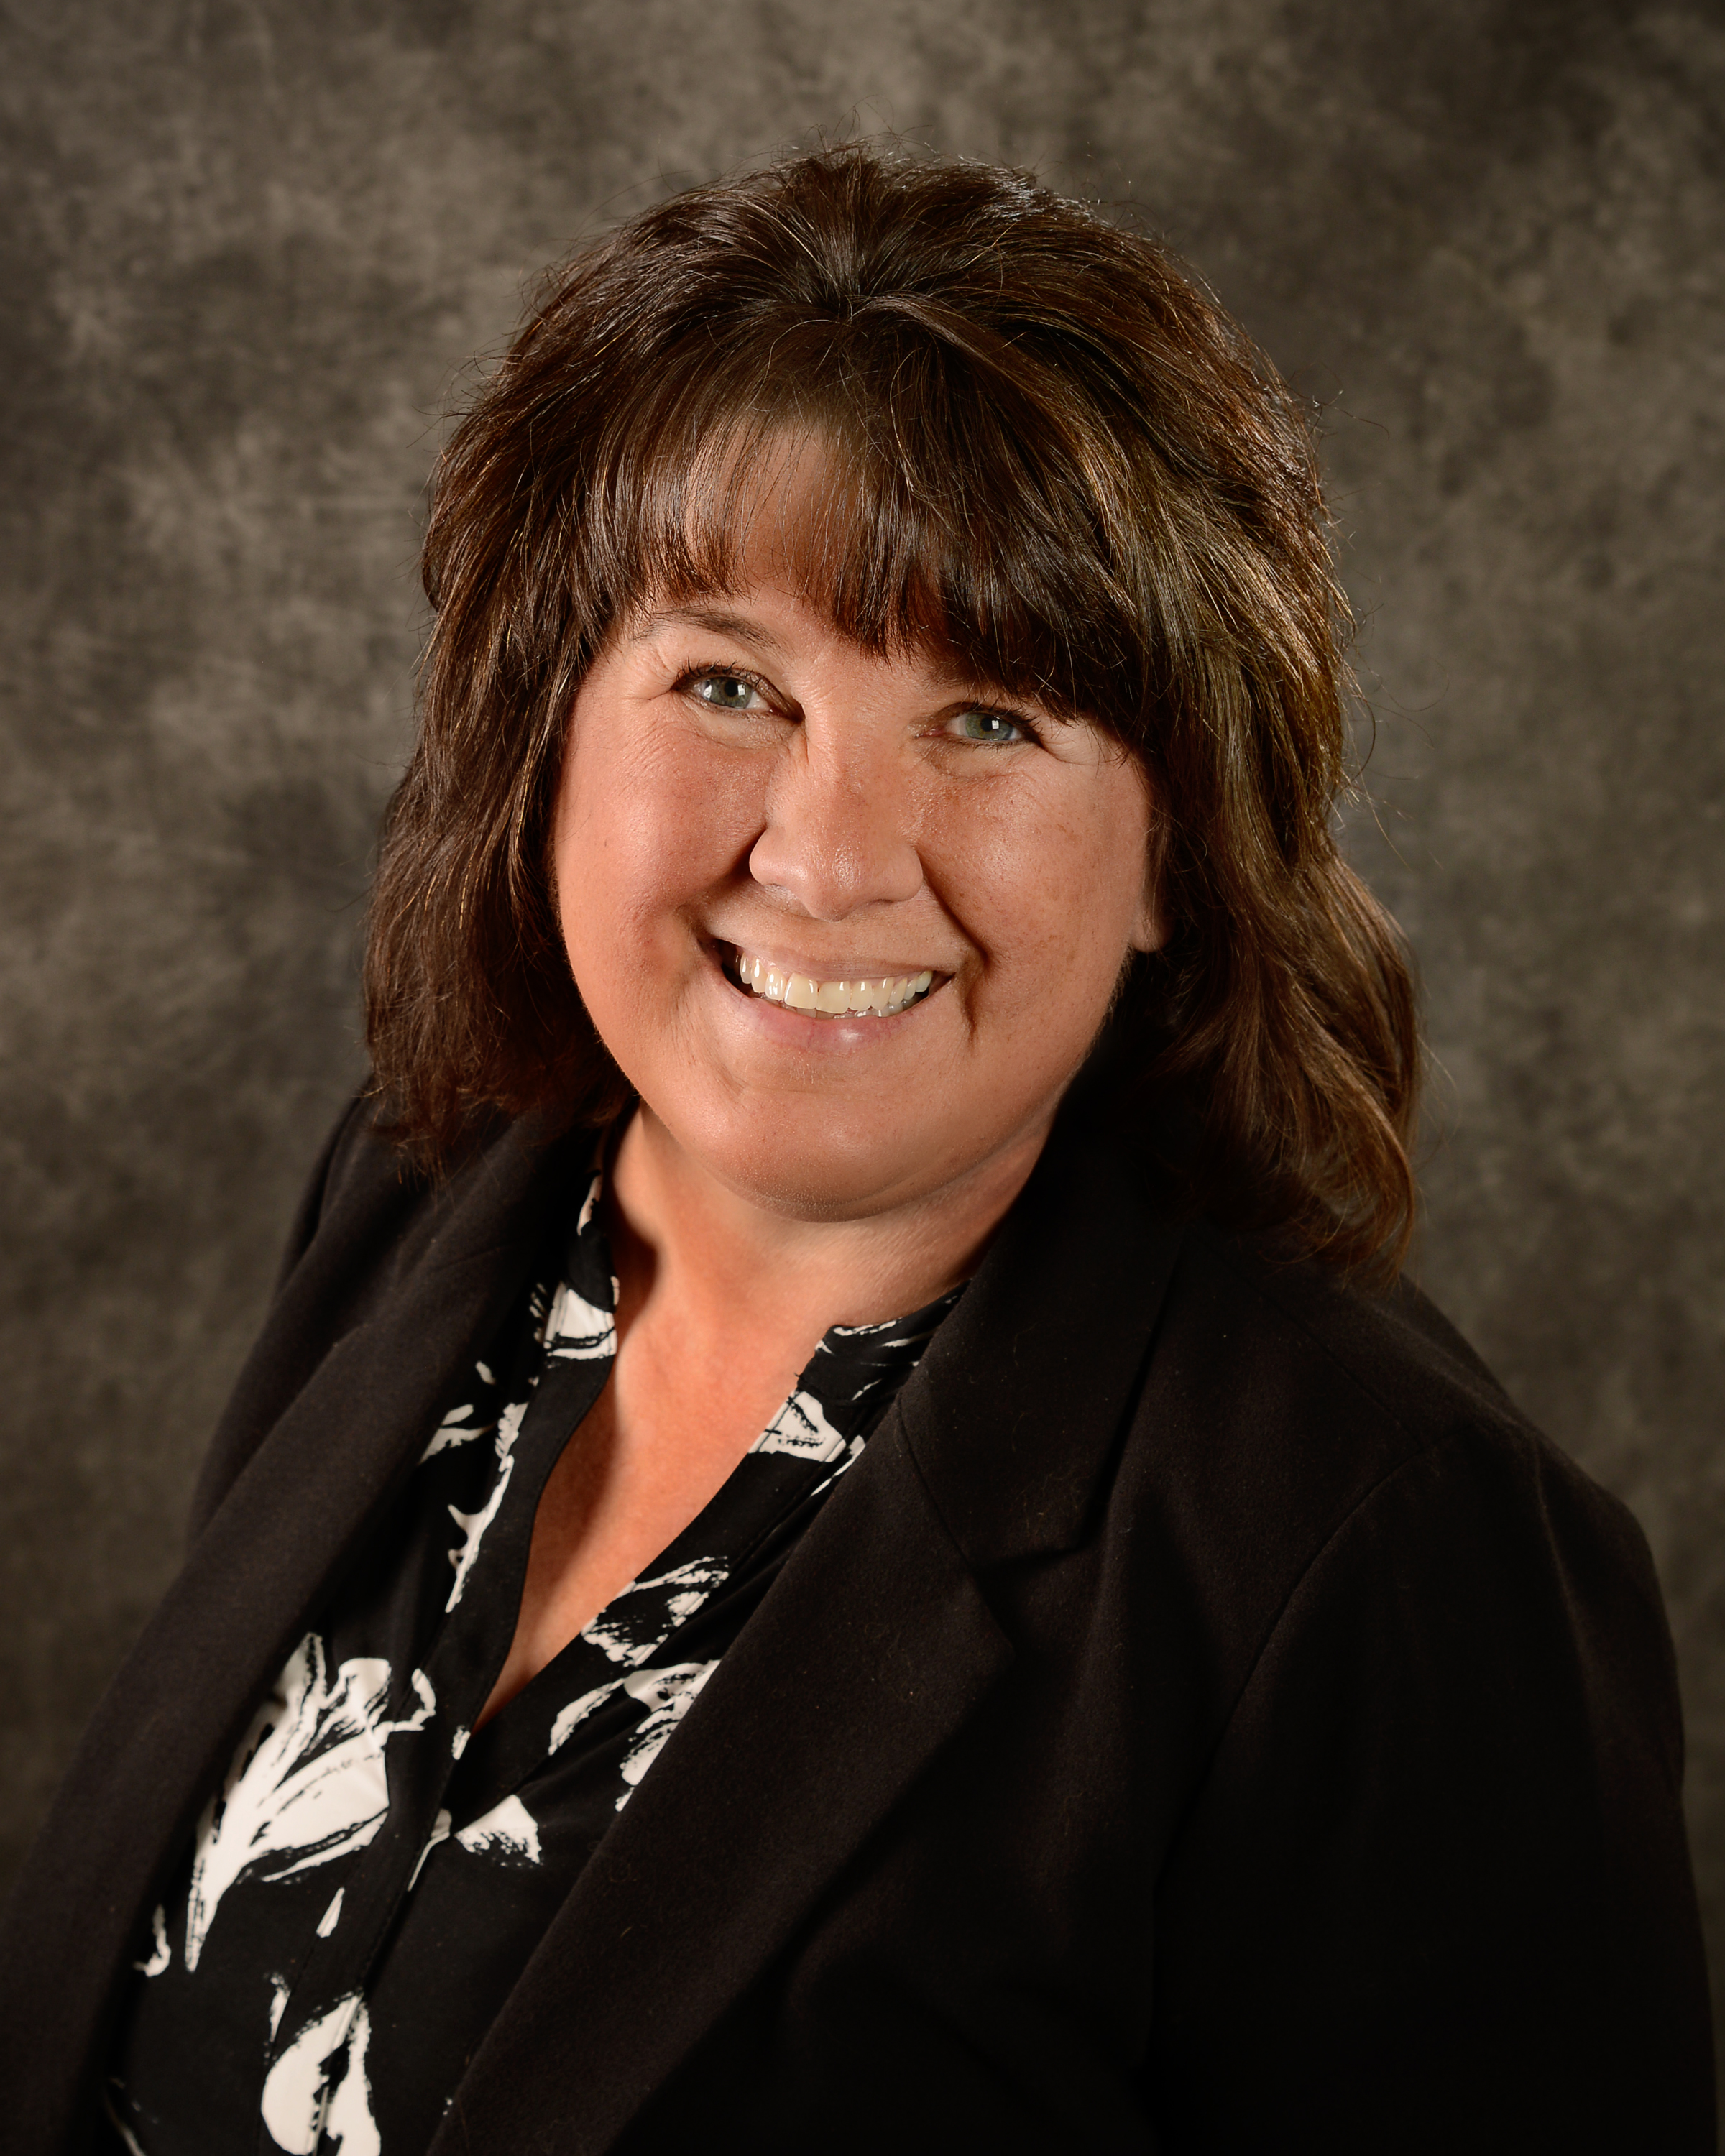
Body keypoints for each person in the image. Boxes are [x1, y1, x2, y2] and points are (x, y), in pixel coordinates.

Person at [0, 145, 1711, 2155]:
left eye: (990, 720)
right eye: (728, 682)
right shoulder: (415, 1199)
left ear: (1180, 848)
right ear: (546, 733)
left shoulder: (1381, 1548)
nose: (822, 856)